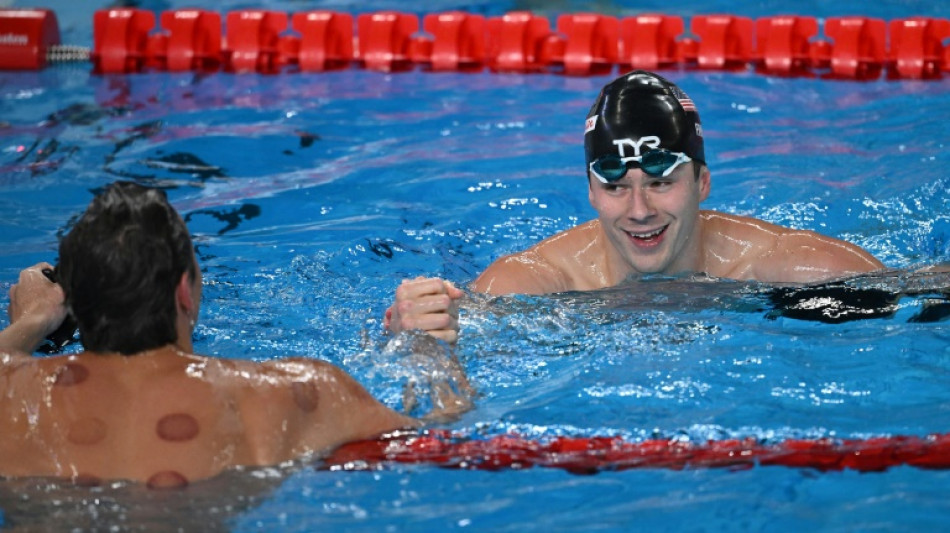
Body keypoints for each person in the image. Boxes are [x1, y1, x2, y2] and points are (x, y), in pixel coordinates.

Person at [0, 182, 470, 489]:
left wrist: (29, 323)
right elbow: (447, 441)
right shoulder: (292, 393)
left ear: (74, 306)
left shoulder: (12, 393)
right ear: (185, 291)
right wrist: (428, 349)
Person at [384, 70, 884, 342]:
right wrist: (408, 331)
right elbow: (427, 364)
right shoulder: (535, 279)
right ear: (590, 192)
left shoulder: (783, 262)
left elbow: (926, 298)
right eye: (616, 185)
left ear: (702, 182)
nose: (639, 209)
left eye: (661, 181)